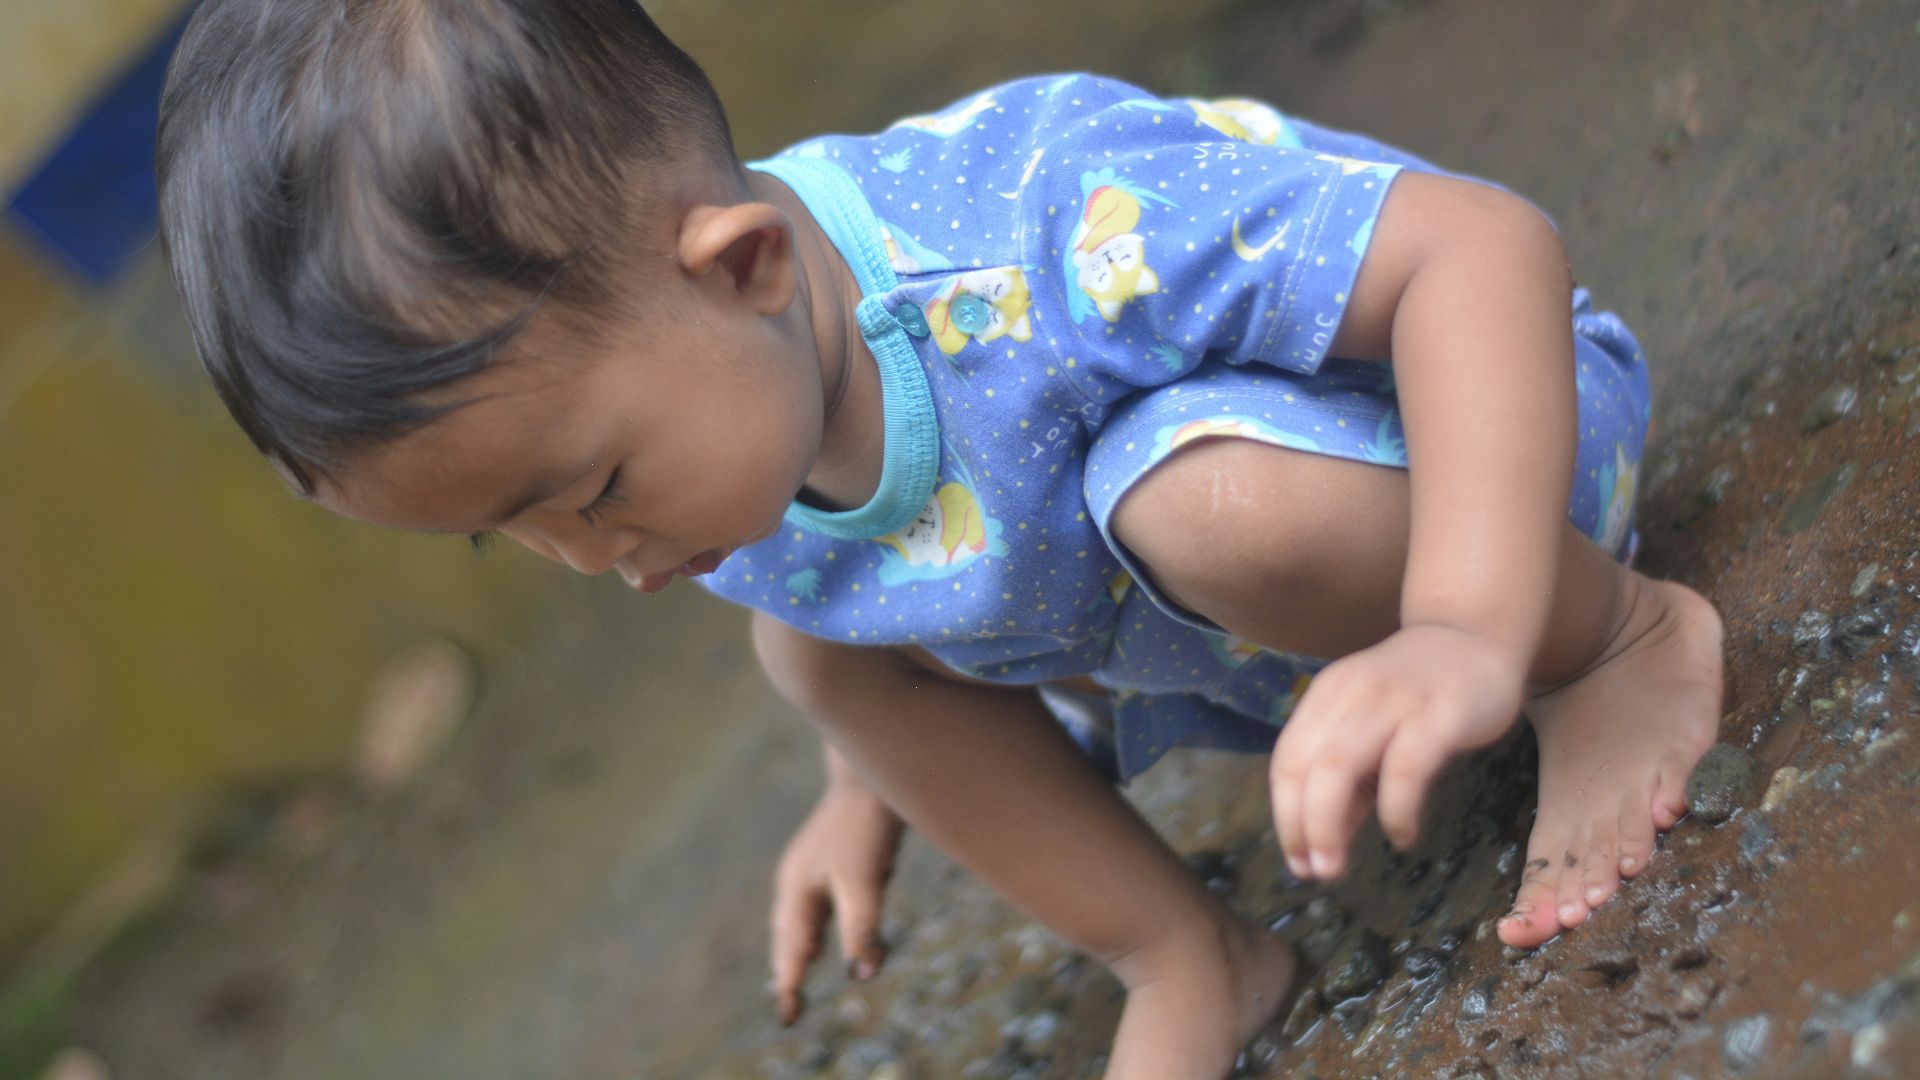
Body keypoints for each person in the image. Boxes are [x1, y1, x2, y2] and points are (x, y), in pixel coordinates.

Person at [156, 1, 1725, 1075]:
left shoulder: (1035, 229)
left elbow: (1480, 254)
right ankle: (1189, 959)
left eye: (595, 482)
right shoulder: (729, 409)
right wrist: (871, 781)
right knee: (812, 657)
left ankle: (1616, 644)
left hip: (1491, 456)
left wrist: (1467, 618)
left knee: (1206, 502)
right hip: (1276, 616)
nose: (599, 558)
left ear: (746, 264)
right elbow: (881, 570)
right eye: (517, 536)